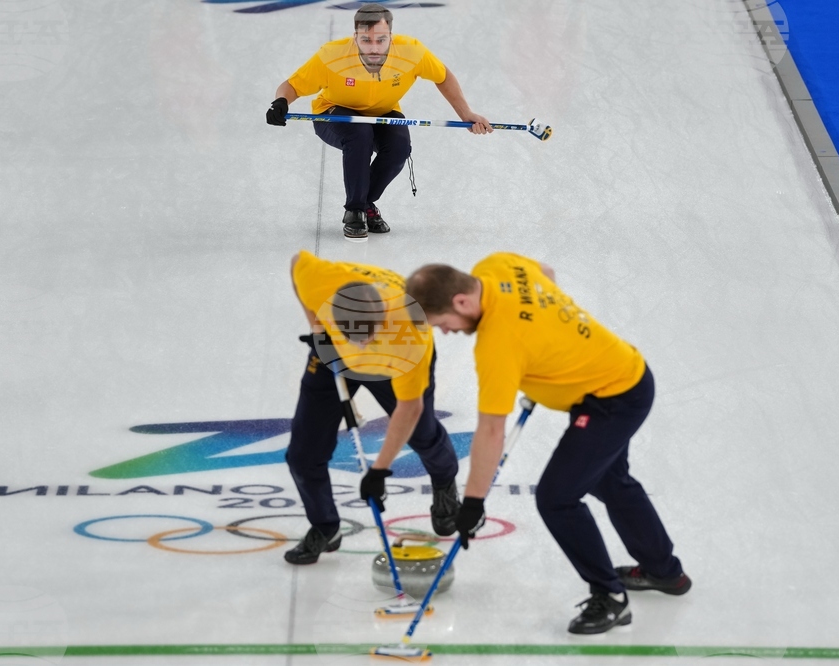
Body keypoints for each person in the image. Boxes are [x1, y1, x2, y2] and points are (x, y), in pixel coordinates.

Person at [405, 253, 691, 634]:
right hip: (623, 372)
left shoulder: (497, 344)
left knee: (556, 499)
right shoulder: (495, 267)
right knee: (608, 481)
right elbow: (545, 273)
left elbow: (491, 430)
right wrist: (546, 343)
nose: (445, 331)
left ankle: (610, 597)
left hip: (613, 399)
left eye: (444, 323)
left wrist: (472, 502)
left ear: (461, 302)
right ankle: (664, 571)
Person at [283, 249, 461, 564]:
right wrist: (317, 327)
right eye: (355, 337)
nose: (362, 345)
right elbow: (298, 261)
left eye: (367, 336)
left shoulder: (411, 333)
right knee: (302, 453)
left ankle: (444, 483)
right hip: (332, 354)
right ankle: (325, 526)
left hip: (391, 362)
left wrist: (379, 470)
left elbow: (410, 409)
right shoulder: (321, 281)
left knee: (422, 433)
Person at [266, 3, 492, 242]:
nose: (374, 48)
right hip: (333, 113)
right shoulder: (332, 55)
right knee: (359, 134)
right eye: (366, 40)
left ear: (391, 37)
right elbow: (291, 86)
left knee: (399, 146)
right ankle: (355, 211)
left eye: (381, 40)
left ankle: (365, 203)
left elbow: (443, 76)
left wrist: (466, 113)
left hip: (383, 113)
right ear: (355, 37)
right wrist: (280, 102)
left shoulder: (411, 52)